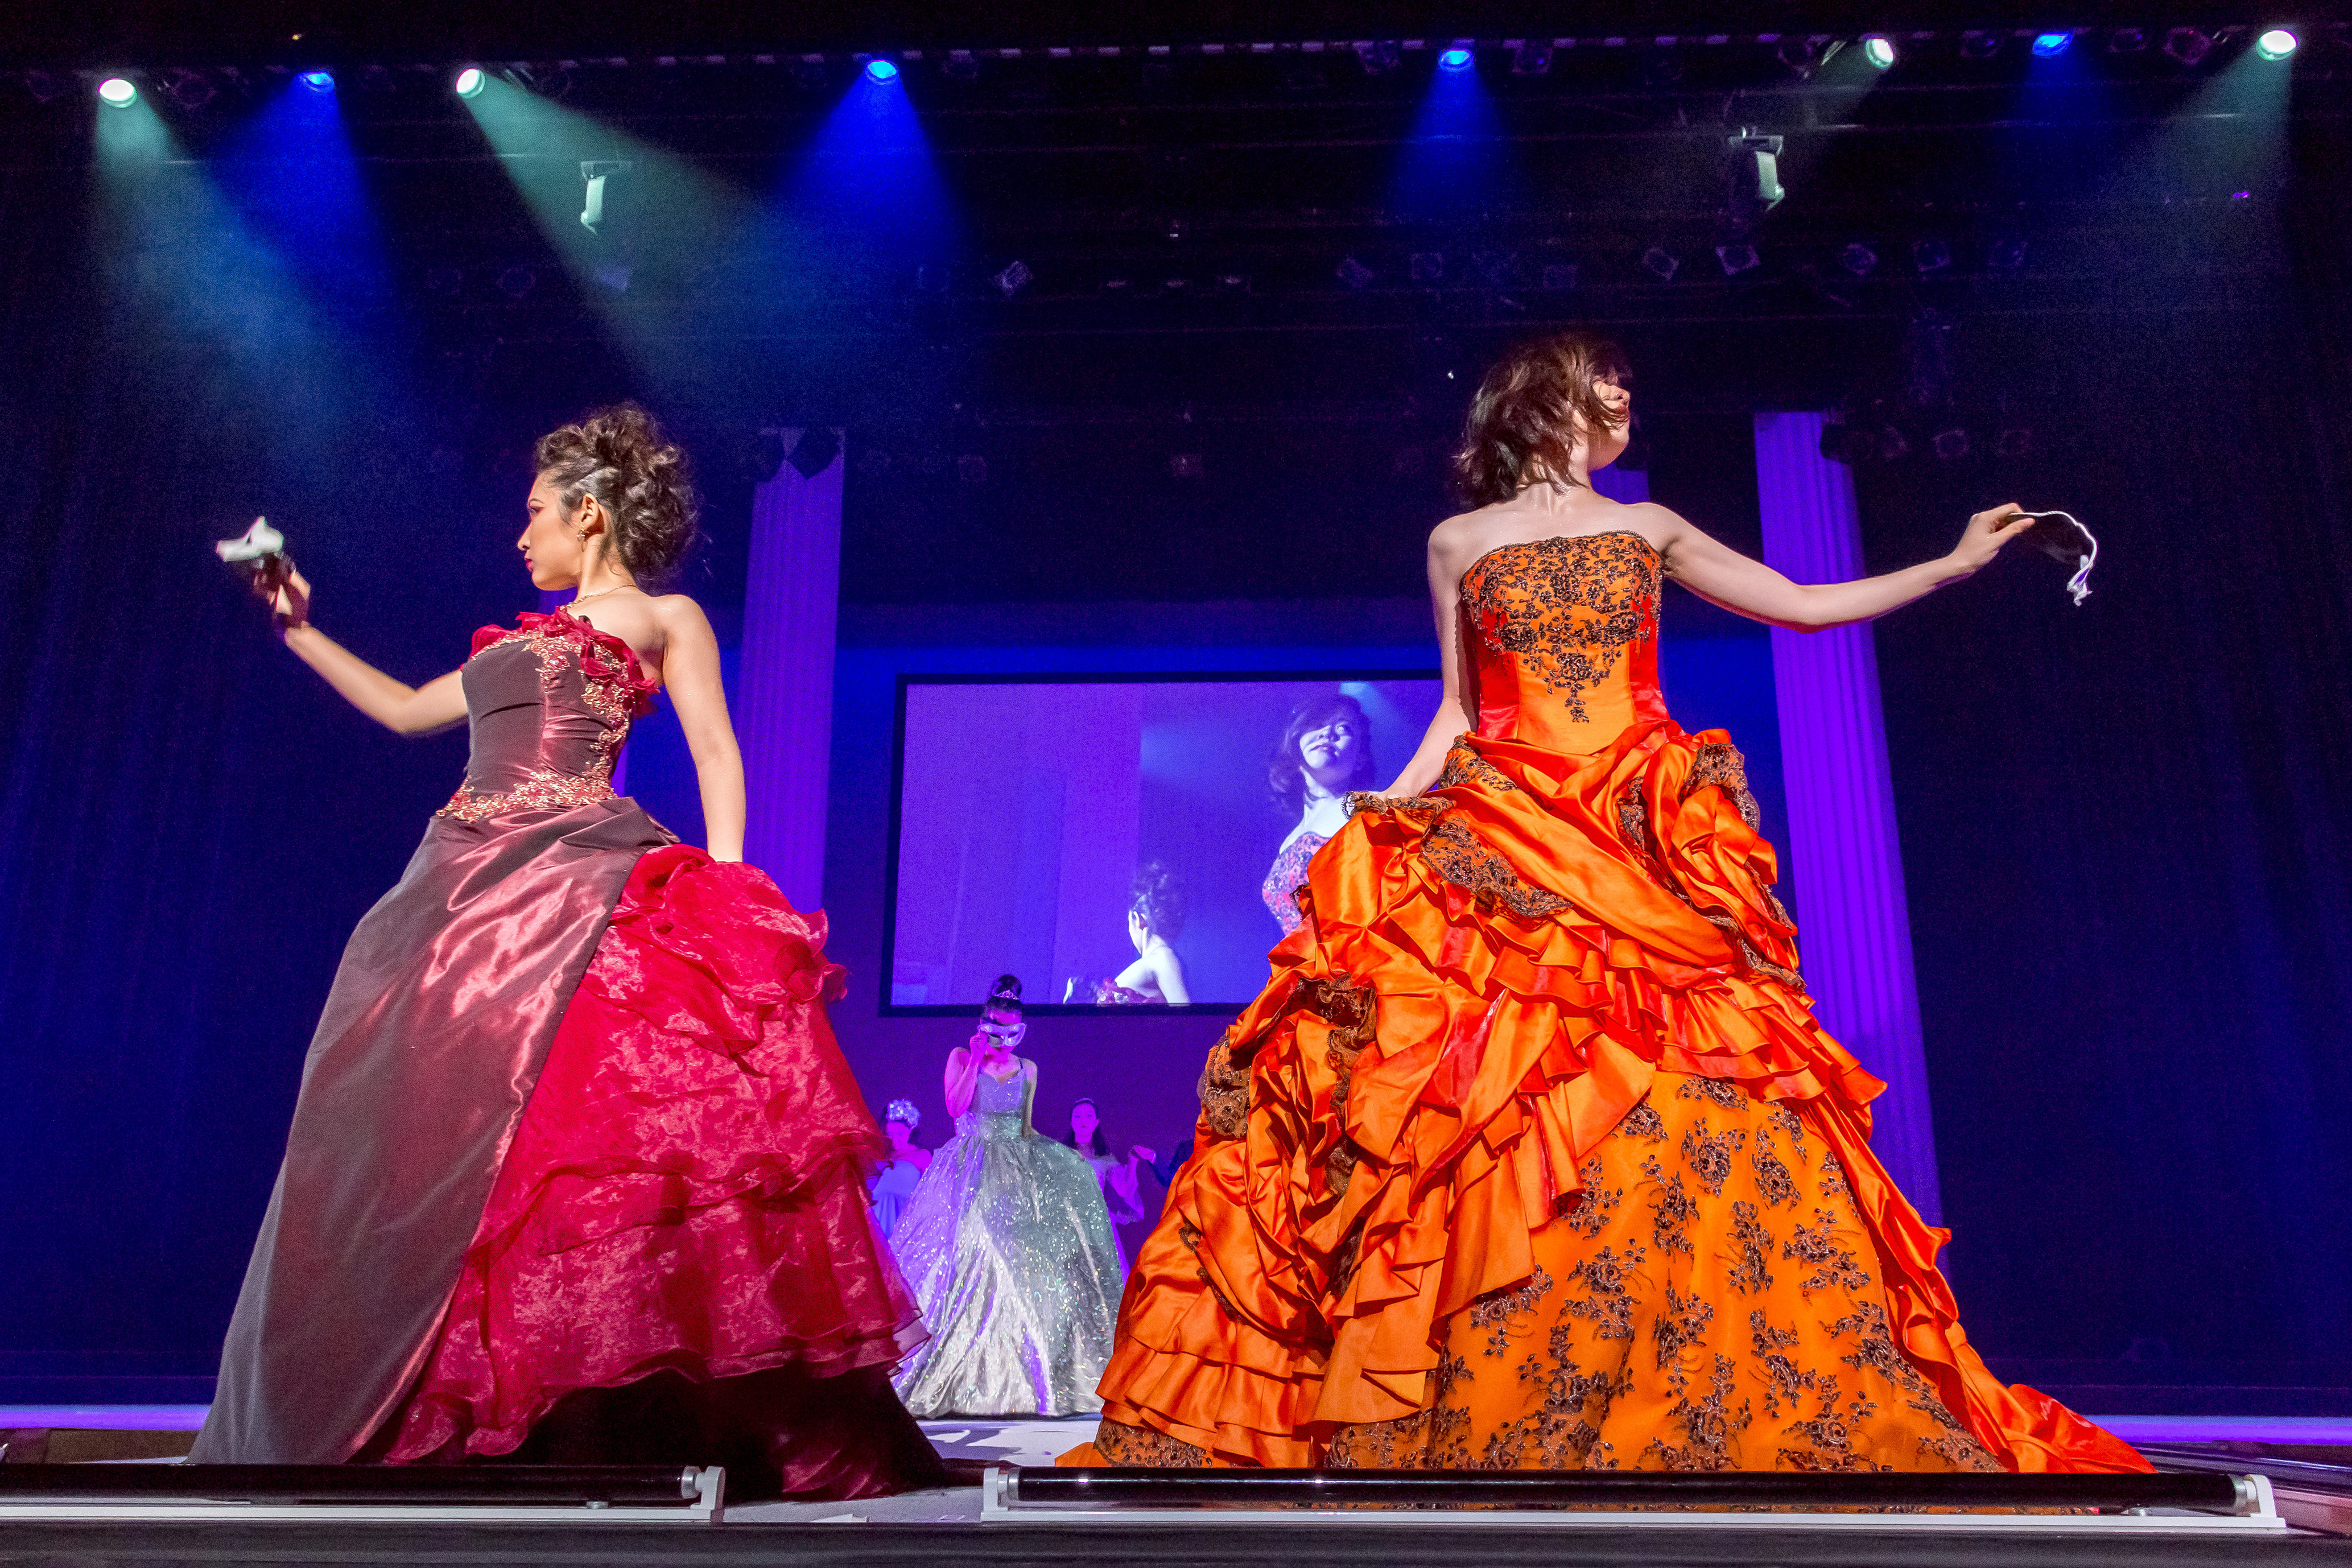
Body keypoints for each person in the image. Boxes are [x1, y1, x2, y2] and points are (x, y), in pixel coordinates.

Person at [1068, 332, 2149, 1475]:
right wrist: (1376, 815)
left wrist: (1955, 562)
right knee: (1478, 1097)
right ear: (1542, 401)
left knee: (1694, 1087)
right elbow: (1458, 714)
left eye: (1625, 383)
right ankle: (1496, 1382)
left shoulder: (1649, 526)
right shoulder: (1458, 541)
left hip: (1634, 826)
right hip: (1507, 828)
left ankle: (1687, 1381)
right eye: (1604, 380)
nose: (1626, 394)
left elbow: (1799, 603)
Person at [192, 405, 942, 1499]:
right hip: (461, 892)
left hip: (583, 874)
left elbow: (716, 750)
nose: (521, 533)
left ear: (588, 515)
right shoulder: (511, 642)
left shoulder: (663, 617)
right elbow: (402, 711)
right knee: (430, 1128)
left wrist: (726, 888)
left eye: (536, 511)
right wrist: (296, 627)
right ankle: (409, 1388)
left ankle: (597, 1407)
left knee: (595, 1124)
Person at [888, 976, 1124, 1417]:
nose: (1004, 1040)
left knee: (1021, 1265)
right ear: (983, 1025)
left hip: (1013, 1170)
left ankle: (1021, 1380)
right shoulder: (962, 1057)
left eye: (1012, 1032)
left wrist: (1062, 1163)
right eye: (996, 1030)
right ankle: (955, 1369)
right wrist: (976, 1059)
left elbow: (1025, 1128)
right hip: (968, 1166)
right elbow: (956, 1108)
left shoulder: (1028, 1068)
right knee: (970, 1253)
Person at [1261, 694, 1377, 937]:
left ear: (1360, 758)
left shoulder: (1368, 807)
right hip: (1302, 960)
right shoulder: (1288, 842)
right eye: (1317, 725)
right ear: (1295, 745)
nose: (1328, 733)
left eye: (1344, 728)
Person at [1067, 1098, 1158, 1275]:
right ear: (1071, 1122)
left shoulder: (1104, 1159)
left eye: (1088, 1116)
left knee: (1106, 1276)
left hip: (1098, 1225)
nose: (1083, 1120)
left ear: (1096, 1123)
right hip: (1068, 1223)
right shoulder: (1060, 1155)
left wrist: (1133, 1160)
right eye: (1078, 1116)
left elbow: (1125, 1191)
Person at [1095, 862, 1192, 1005]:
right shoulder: (1161, 960)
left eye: (1129, 921)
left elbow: (1187, 1015)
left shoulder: (1163, 958)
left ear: (1139, 920)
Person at [869, 1100, 932, 1241]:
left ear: (911, 1131)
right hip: (875, 1218)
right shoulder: (879, 1156)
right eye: (890, 1134)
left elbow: (930, 1192)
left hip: (904, 1220)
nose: (894, 1140)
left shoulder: (921, 1156)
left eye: (900, 1134)